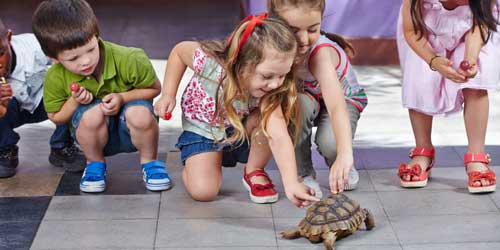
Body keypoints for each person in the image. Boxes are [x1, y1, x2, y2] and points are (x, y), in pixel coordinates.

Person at [154, 14, 319, 207]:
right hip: (204, 131)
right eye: (267, 75)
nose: (275, 83)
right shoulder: (211, 64)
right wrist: (168, 94)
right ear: (241, 63)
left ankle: (254, 170)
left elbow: (279, 136)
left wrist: (291, 182)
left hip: (240, 128)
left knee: (271, 120)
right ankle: (193, 162)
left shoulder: (269, 92)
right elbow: (179, 51)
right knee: (204, 192)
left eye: (283, 75)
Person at [32, 0, 171, 193]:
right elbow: (55, 117)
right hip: (92, 136)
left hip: (133, 130)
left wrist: (122, 98)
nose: (86, 61)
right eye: (73, 58)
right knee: (92, 114)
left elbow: (155, 88)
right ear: (53, 58)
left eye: (91, 49)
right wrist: (75, 101)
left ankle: (150, 163)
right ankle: (94, 164)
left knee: (139, 112)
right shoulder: (55, 76)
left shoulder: (130, 58)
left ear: (96, 36)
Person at [397, 0, 499, 193]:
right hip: (424, 33)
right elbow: (411, 31)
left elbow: (481, 24)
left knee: (475, 84)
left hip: (474, 32)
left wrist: (470, 58)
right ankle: (423, 149)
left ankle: (476, 155)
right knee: (420, 78)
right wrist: (433, 60)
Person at [268, 0, 368, 196]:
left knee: (331, 143)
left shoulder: (320, 54)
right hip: (307, 97)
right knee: (300, 105)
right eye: (293, 30)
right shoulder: (271, 45)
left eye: (313, 29)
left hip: (342, 100)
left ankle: (339, 163)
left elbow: (336, 107)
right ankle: (303, 173)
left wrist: (345, 154)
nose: (304, 39)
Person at [0, 18, 85, 178]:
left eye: (0, 53)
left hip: (45, 101)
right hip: (9, 111)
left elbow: (69, 62)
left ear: (9, 38)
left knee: (74, 89)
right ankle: (4, 149)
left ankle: (61, 146)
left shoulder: (35, 46)